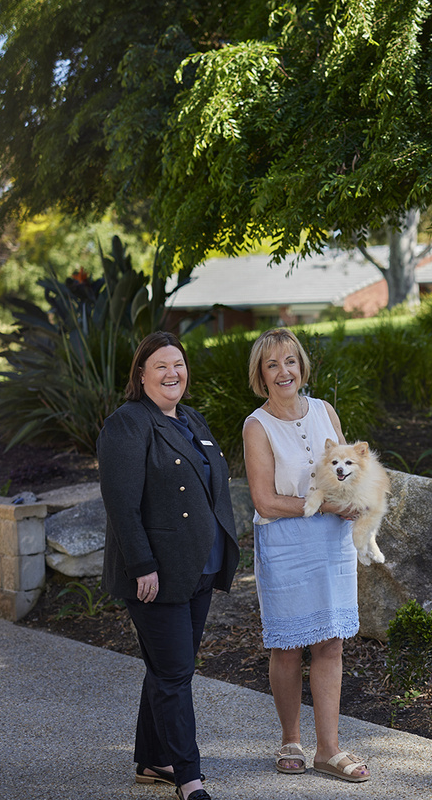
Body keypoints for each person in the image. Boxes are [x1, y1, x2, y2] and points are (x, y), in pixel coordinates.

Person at [99, 331, 240, 800]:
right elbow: (121, 503)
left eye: (177, 364)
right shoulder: (127, 423)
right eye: (159, 365)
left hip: (198, 567)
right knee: (175, 672)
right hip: (155, 572)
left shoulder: (190, 418)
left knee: (167, 669)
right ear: (140, 375)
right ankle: (188, 777)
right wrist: (141, 565)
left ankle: (153, 760)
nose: (171, 373)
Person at [242, 328, 372, 783]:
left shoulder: (324, 411)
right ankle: (290, 740)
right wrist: (325, 505)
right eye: (273, 364)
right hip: (286, 544)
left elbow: (346, 474)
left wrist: (356, 501)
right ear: (261, 374)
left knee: (330, 642)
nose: (284, 372)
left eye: (291, 361)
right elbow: (264, 501)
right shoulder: (256, 426)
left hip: (331, 542)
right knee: (287, 646)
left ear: (302, 366)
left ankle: (329, 750)